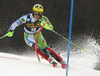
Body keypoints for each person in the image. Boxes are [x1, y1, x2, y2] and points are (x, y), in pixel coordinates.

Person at [6, 4, 66, 69]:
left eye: (39, 13)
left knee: (45, 48)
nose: (37, 15)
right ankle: (50, 59)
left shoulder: (43, 18)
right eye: (36, 13)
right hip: (28, 36)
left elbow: (51, 27)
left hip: (38, 34)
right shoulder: (26, 17)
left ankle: (61, 61)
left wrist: (46, 26)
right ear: (33, 12)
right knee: (35, 46)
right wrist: (11, 30)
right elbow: (15, 23)